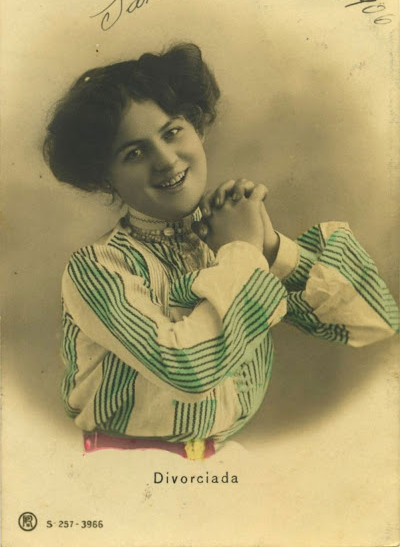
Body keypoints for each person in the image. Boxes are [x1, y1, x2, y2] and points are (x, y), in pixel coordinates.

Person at [43, 43, 399, 460]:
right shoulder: (98, 267)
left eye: (172, 132)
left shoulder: (228, 245)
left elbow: (375, 321)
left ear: (197, 128)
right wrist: (243, 250)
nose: (166, 160)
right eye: (134, 153)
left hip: (220, 462)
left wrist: (270, 247)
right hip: (124, 467)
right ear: (106, 179)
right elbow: (189, 369)